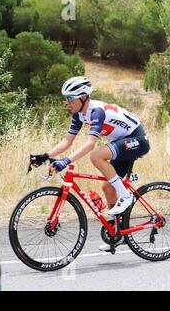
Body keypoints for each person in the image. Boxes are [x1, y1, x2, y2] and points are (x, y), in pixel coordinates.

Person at [30, 76, 150, 251]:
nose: (67, 103)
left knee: (95, 155)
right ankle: (118, 232)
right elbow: (67, 141)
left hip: (137, 139)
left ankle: (126, 196)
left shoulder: (96, 112)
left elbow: (90, 144)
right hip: (122, 142)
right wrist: (44, 156)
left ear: (83, 97)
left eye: (70, 98)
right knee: (108, 188)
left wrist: (66, 160)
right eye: (66, 99)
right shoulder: (79, 115)